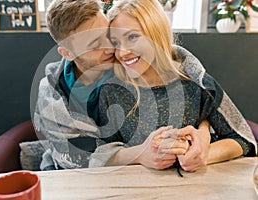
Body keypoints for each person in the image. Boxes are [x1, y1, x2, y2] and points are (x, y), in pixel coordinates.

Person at [20, 0, 211, 171]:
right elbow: (72, 155)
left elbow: (195, 102)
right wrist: (139, 154)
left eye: (109, 35)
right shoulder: (52, 93)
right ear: (67, 53)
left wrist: (203, 131)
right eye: (95, 44)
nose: (112, 48)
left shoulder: (129, 62)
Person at [89, 0, 257, 172]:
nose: (123, 52)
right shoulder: (111, 89)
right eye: (116, 43)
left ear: (156, 33)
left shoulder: (195, 82)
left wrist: (204, 154)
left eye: (132, 37)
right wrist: (140, 155)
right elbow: (99, 156)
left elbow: (243, 139)